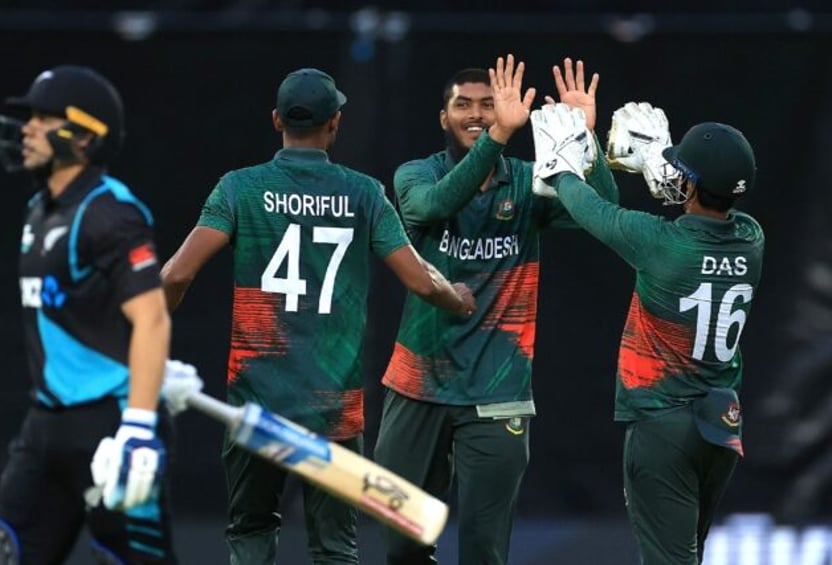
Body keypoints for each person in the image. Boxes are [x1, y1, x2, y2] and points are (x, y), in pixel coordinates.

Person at [160, 67, 475, 565]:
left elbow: (177, 275)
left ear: (275, 120)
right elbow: (418, 279)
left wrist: (146, 331)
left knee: (251, 529)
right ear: (335, 124)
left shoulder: (239, 188)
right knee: (334, 548)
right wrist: (456, 298)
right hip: (333, 403)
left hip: (257, 398)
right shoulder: (364, 192)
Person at [373, 55, 618, 564]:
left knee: (484, 550)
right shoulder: (414, 176)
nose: (477, 115)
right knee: (399, 543)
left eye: (489, 105)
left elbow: (602, 213)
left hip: (498, 390)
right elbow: (434, 206)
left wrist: (585, 142)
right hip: (419, 385)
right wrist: (499, 137)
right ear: (443, 118)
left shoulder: (530, 182)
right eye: (463, 105)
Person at [531, 100, 763, 563]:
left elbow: (589, 208)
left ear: (694, 185)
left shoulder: (662, 244)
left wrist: (560, 165)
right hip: (721, 423)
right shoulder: (752, 238)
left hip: (664, 425)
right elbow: (701, 200)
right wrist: (668, 168)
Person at [0, 65, 175, 563]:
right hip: (44, 424)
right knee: (3, 553)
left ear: (85, 136)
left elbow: (152, 318)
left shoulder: (111, 212)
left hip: (109, 428)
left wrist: (138, 424)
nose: (27, 128)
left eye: (44, 118)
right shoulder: (38, 210)